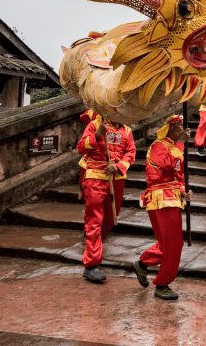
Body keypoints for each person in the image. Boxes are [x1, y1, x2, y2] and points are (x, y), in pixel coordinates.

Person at [133, 115, 193, 300]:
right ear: (172, 128)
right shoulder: (159, 145)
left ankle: (143, 264)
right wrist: (181, 143)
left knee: (171, 243)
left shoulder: (175, 148)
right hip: (161, 199)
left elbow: (178, 176)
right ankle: (162, 284)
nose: (184, 129)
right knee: (173, 244)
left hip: (172, 198)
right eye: (180, 126)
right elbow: (168, 165)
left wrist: (183, 191)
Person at [76, 113, 136, 283]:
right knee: (95, 220)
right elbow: (81, 148)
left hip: (116, 179)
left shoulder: (127, 130)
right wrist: (97, 134)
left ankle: (94, 246)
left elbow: (131, 152)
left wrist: (119, 166)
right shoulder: (95, 125)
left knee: (110, 220)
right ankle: (91, 265)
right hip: (95, 177)